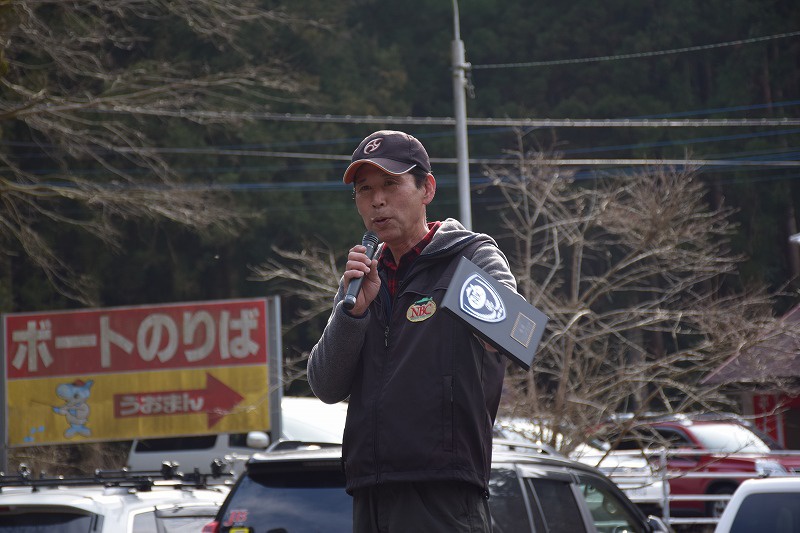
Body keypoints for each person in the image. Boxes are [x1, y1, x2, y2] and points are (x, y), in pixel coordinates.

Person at [307, 130, 518, 532]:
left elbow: (512, 332)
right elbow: (325, 386)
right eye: (364, 190)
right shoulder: (362, 274)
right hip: (369, 491)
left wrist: (471, 304)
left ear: (427, 188)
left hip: (444, 491)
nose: (377, 200)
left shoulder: (469, 256)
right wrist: (353, 314)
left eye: (390, 183)